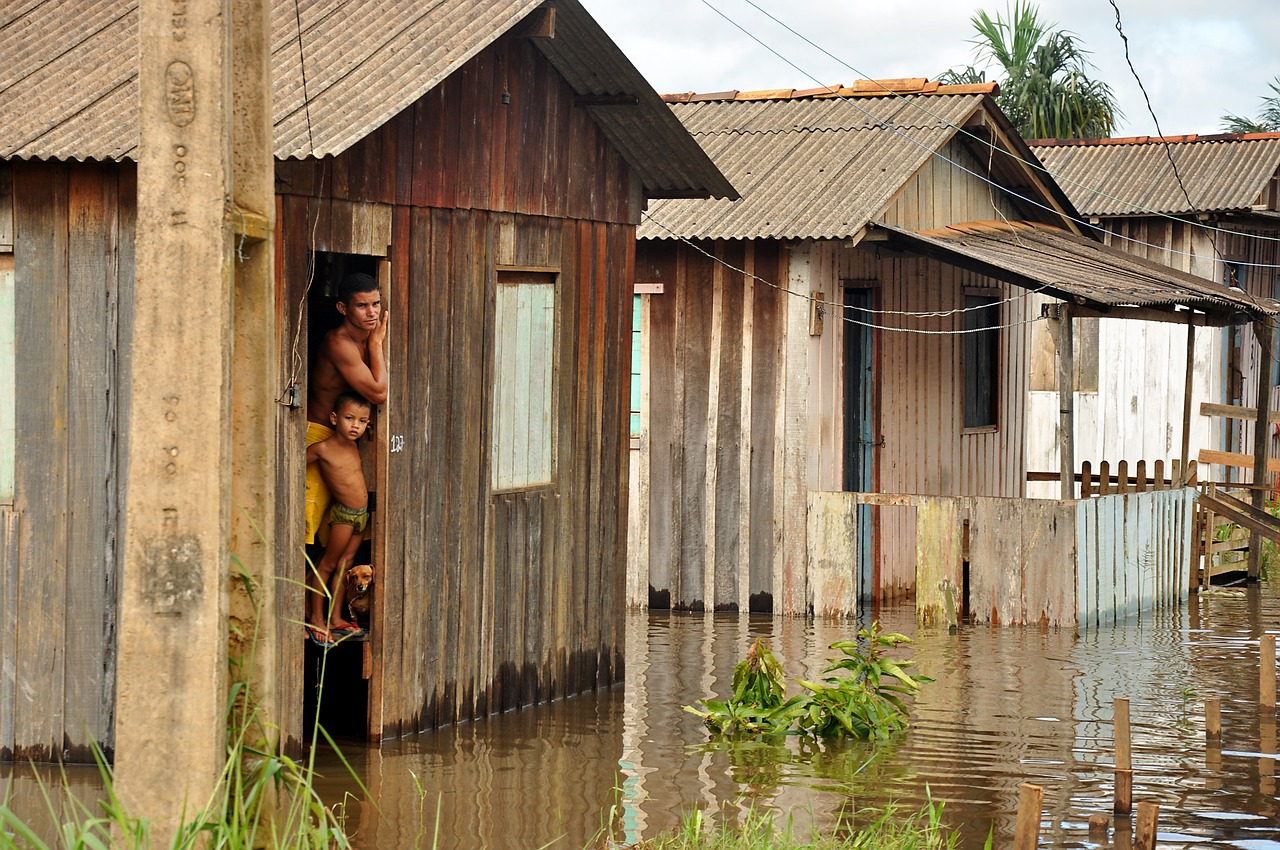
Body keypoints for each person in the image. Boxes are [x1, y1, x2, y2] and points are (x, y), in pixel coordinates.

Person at [305, 272, 389, 547]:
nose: (372, 312)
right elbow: (379, 393)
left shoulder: (366, 335)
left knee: (340, 531)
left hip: (348, 435)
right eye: (362, 305)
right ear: (343, 308)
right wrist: (376, 344)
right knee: (305, 523)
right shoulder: (339, 342)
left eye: (376, 304)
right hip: (319, 435)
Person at [305, 391, 374, 646]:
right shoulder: (322, 449)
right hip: (344, 515)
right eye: (349, 418)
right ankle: (316, 618)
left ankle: (335, 618)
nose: (355, 425)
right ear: (334, 418)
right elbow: (296, 461)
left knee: (345, 566)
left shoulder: (356, 443)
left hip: (361, 515)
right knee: (327, 565)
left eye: (362, 421)